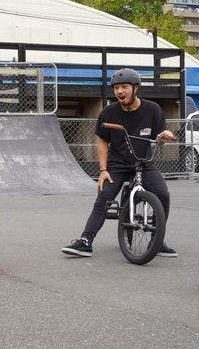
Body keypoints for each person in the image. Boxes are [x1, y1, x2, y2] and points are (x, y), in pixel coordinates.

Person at [61, 68, 178, 258]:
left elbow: (160, 135)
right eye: (116, 88)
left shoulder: (152, 109)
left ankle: (157, 239)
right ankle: (85, 241)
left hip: (143, 163)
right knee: (103, 197)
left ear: (135, 88)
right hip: (117, 164)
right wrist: (103, 170)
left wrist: (166, 136)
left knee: (163, 195)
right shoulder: (109, 112)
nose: (120, 92)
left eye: (124, 87)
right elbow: (101, 140)